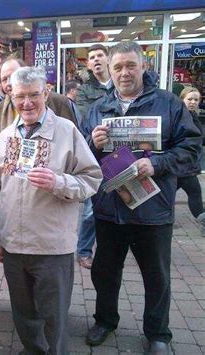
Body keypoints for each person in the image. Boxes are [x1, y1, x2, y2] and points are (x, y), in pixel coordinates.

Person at [84, 41, 201, 354]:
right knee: (105, 271)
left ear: (143, 66)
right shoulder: (98, 108)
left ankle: (158, 333)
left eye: (130, 66)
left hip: (153, 209)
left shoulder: (168, 104)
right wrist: (92, 143)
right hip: (109, 208)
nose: (124, 73)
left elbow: (192, 151)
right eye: (118, 67)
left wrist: (158, 163)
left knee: (156, 276)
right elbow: (81, 158)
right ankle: (105, 320)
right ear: (110, 70)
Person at [0, 66, 102, 354]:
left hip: (52, 247)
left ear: (46, 93)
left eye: (34, 95)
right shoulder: (5, 138)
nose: (27, 103)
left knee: (54, 318)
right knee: (24, 316)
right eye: (20, 96)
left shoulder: (66, 131)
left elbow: (92, 179)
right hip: (13, 246)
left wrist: (58, 182)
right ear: (10, 95)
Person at [76, 43, 112, 270]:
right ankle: (84, 250)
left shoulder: (119, 83)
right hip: (95, 153)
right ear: (88, 64)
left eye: (100, 55)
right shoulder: (84, 90)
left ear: (108, 59)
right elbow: (85, 118)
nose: (97, 59)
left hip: (122, 153)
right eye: (92, 57)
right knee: (90, 210)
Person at [0, 58, 76, 141]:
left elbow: (71, 141)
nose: (9, 83)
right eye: (4, 79)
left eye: (14, 76)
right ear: (0, 83)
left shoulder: (59, 102)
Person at [178, 87, 205, 236]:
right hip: (183, 166)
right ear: (182, 99)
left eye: (196, 99)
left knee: (162, 195)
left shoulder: (193, 116)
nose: (193, 102)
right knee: (195, 193)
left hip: (186, 166)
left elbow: (198, 138)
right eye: (189, 99)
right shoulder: (181, 117)